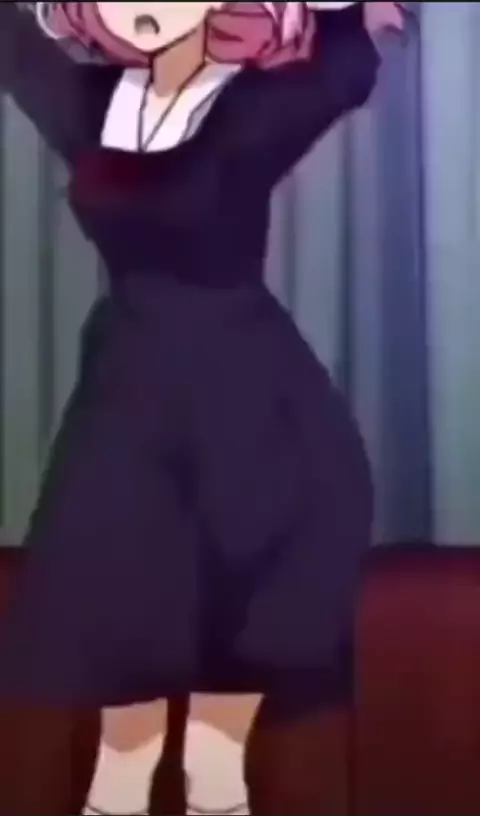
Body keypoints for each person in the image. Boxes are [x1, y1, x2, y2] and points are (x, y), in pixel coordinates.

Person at [0, 2, 404, 813]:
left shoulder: (250, 107)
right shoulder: (91, 106)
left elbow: (347, 61)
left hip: (256, 425)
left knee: (229, 711)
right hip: (134, 403)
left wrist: (353, 21)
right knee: (113, 679)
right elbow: (15, 50)